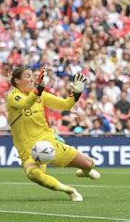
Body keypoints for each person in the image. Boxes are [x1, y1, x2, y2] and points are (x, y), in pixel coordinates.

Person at [6, 67, 101, 201]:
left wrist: (77, 92)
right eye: (27, 76)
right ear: (17, 80)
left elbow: (65, 105)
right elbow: (25, 104)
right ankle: (70, 191)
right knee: (33, 174)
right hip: (29, 149)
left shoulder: (41, 96)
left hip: (49, 143)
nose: (32, 78)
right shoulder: (13, 95)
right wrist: (39, 89)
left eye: (32, 75)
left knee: (89, 163)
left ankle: (85, 172)